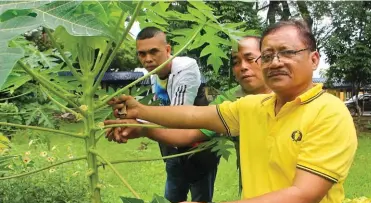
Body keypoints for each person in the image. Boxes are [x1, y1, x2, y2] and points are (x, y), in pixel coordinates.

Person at [109, 20, 357, 203]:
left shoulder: (329, 112)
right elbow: (194, 115)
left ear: (314, 59)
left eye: (287, 52)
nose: (275, 62)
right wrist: (138, 112)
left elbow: (302, 197)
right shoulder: (252, 106)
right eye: (267, 56)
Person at [105, 36, 271, 194]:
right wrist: (143, 128)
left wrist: (140, 112)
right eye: (235, 62)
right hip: (253, 194)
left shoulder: (289, 96)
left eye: (250, 59)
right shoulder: (229, 100)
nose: (242, 67)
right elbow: (189, 126)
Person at [108, 26, 221, 203]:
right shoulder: (154, 75)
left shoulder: (186, 68)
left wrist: (137, 121)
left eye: (154, 52)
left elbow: (177, 117)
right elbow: (155, 108)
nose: (148, 59)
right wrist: (124, 119)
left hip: (201, 148)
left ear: (168, 50)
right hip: (173, 149)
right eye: (142, 54)